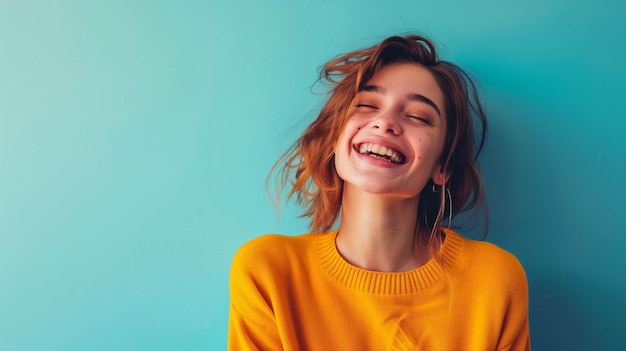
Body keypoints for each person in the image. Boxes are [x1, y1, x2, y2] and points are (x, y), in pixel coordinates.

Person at [228, 34, 530, 351]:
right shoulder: (268, 273)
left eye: (417, 116)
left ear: (442, 167)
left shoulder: (494, 281)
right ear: (334, 138)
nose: (385, 122)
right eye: (367, 105)